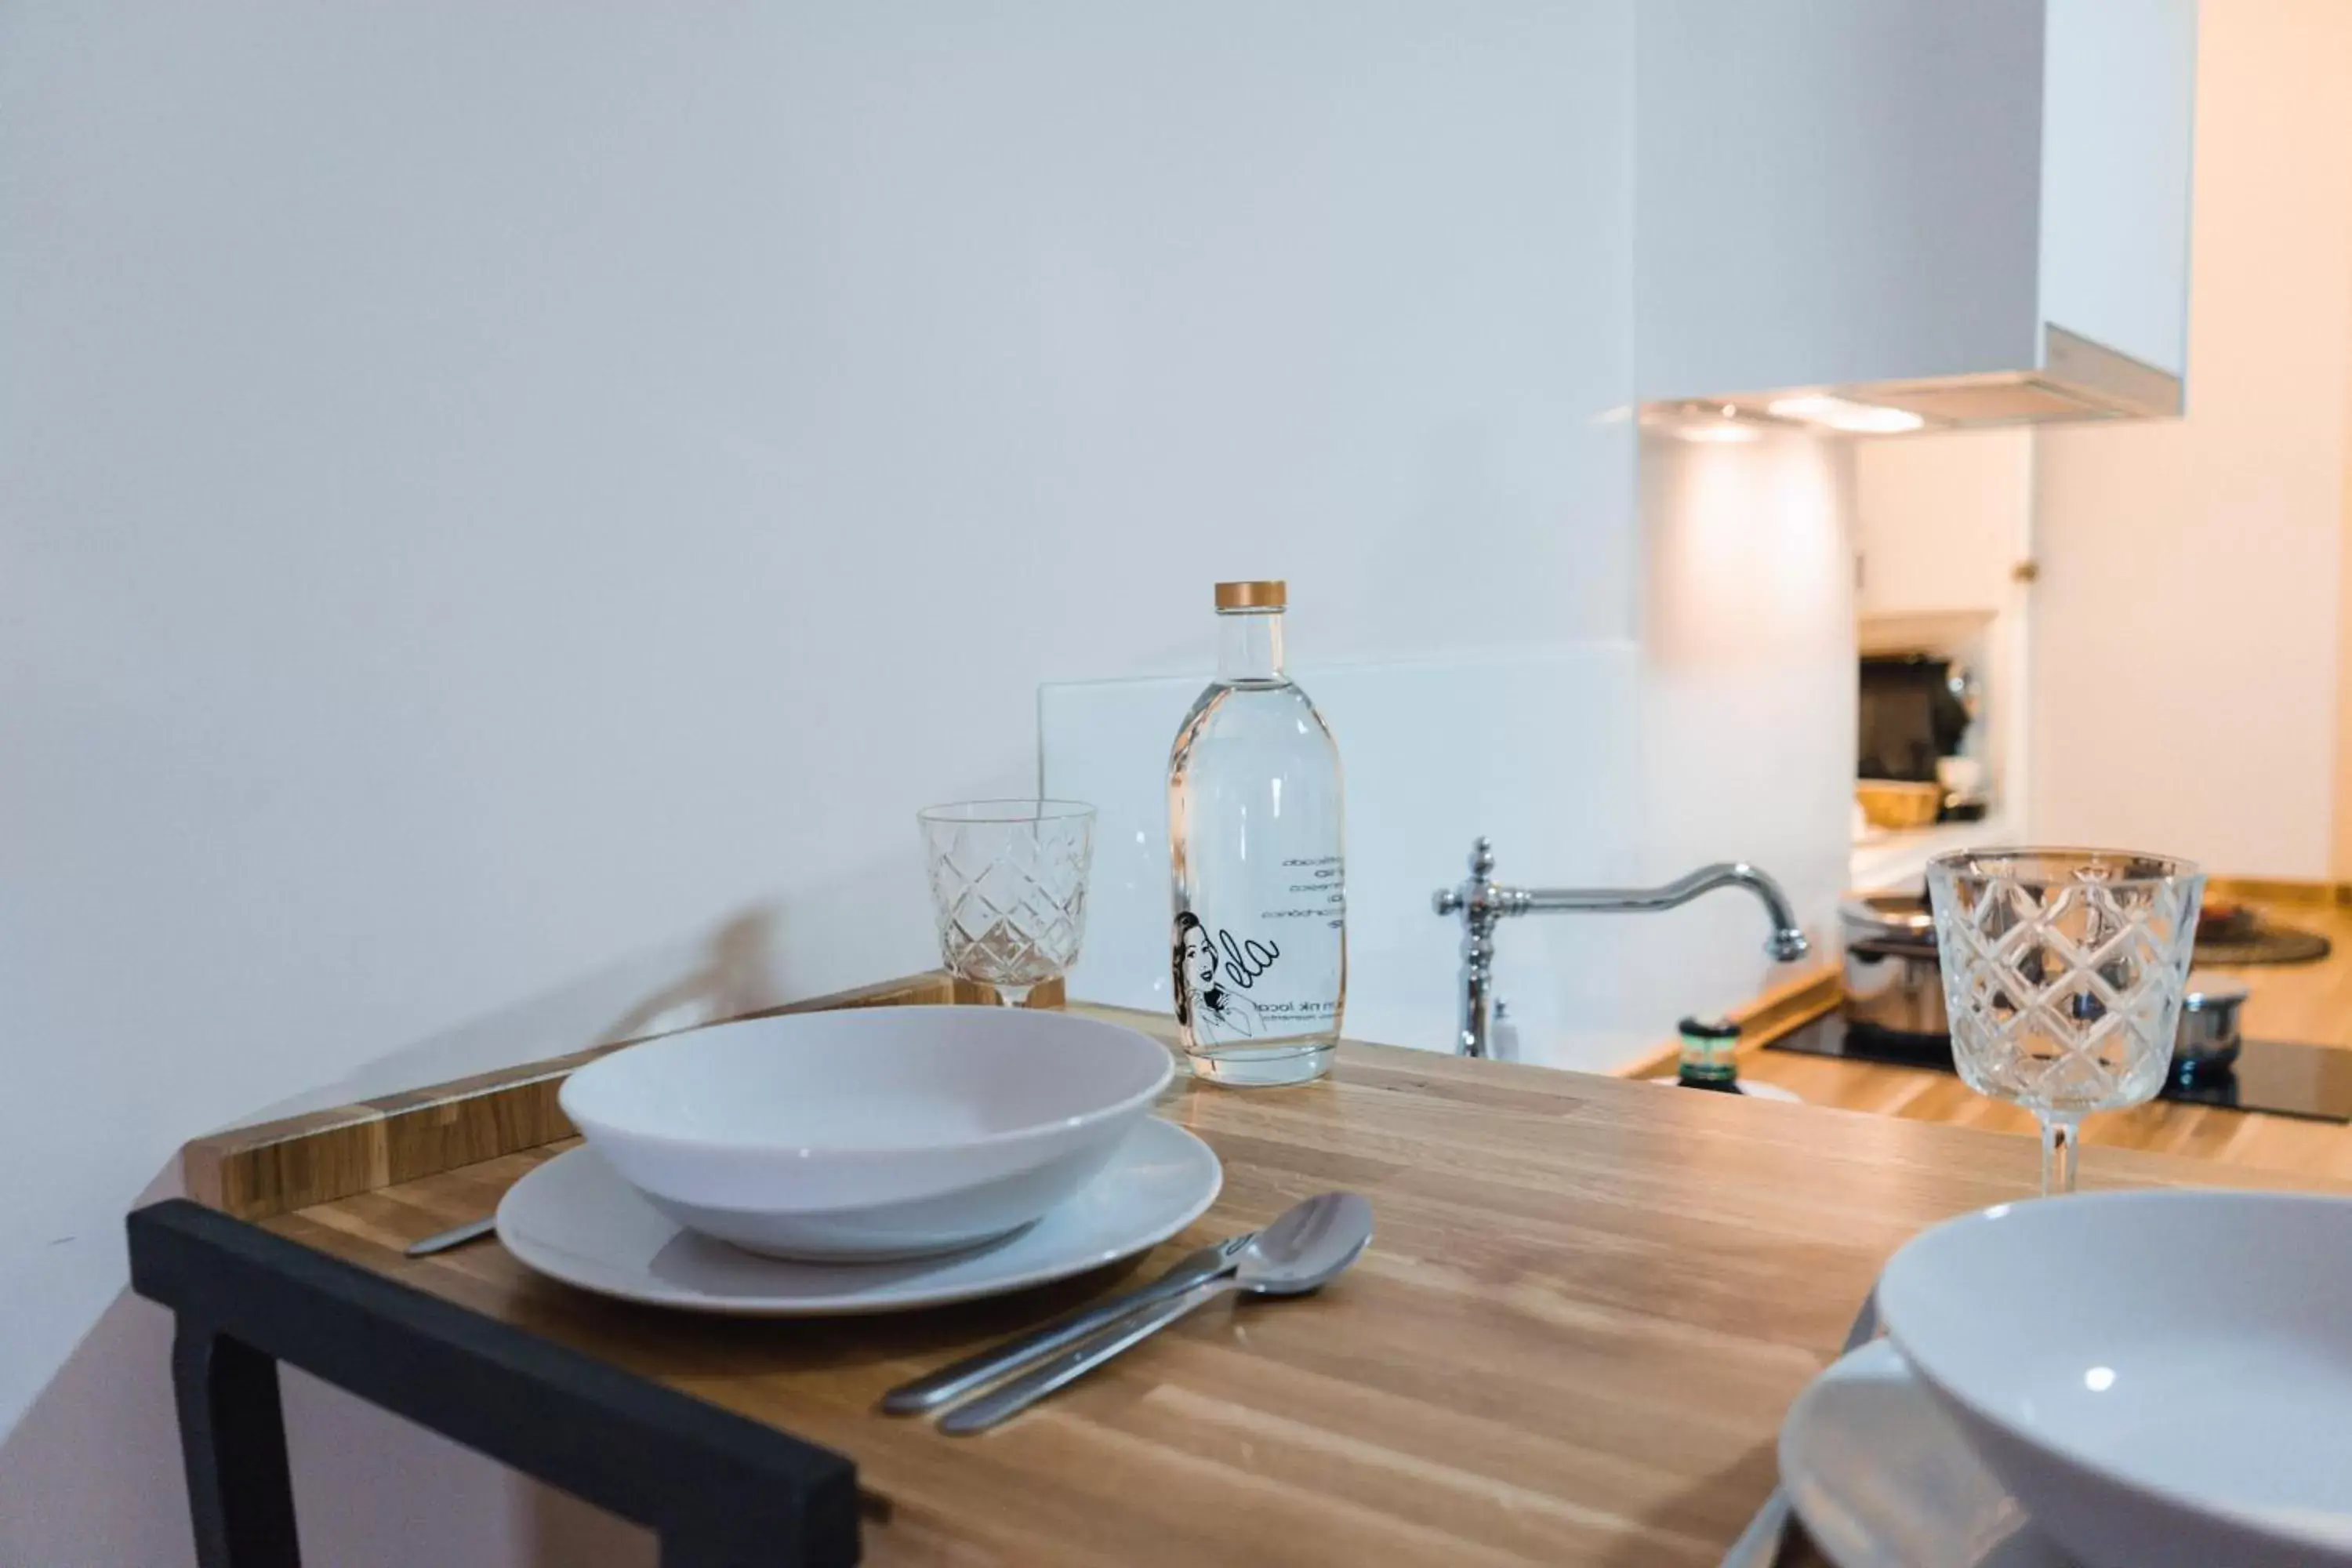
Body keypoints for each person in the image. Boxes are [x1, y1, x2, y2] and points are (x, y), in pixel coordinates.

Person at [1171, 911, 1261, 1044]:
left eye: (1205, 948)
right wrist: (1246, 1009)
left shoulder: (1220, 999)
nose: (1204, 962)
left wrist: (1244, 1006)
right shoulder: (1198, 1013)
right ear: (1179, 963)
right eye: (1192, 954)